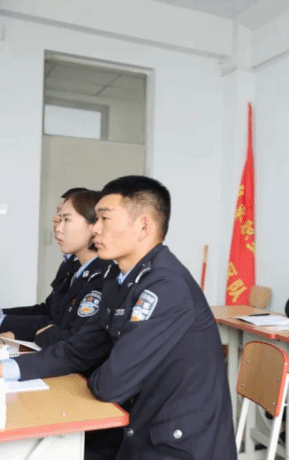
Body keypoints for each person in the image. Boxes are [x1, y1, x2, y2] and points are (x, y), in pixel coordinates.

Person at [0, 176, 236, 460]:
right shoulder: (119, 279)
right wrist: (6, 369)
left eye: (105, 218)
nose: (95, 229)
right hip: (139, 428)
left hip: (177, 446)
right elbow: (79, 349)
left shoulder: (166, 286)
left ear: (143, 226)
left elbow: (111, 383)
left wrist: (97, 371)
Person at [0, 190, 116, 348]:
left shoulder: (103, 277)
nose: (58, 228)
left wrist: (43, 334)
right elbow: (56, 320)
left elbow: (76, 341)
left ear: (95, 226)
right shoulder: (79, 269)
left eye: (66, 219)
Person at [0, 187, 88, 337]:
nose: (55, 220)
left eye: (65, 218)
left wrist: (6, 324)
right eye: (59, 215)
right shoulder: (70, 262)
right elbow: (49, 310)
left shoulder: (95, 270)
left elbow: (62, 327)